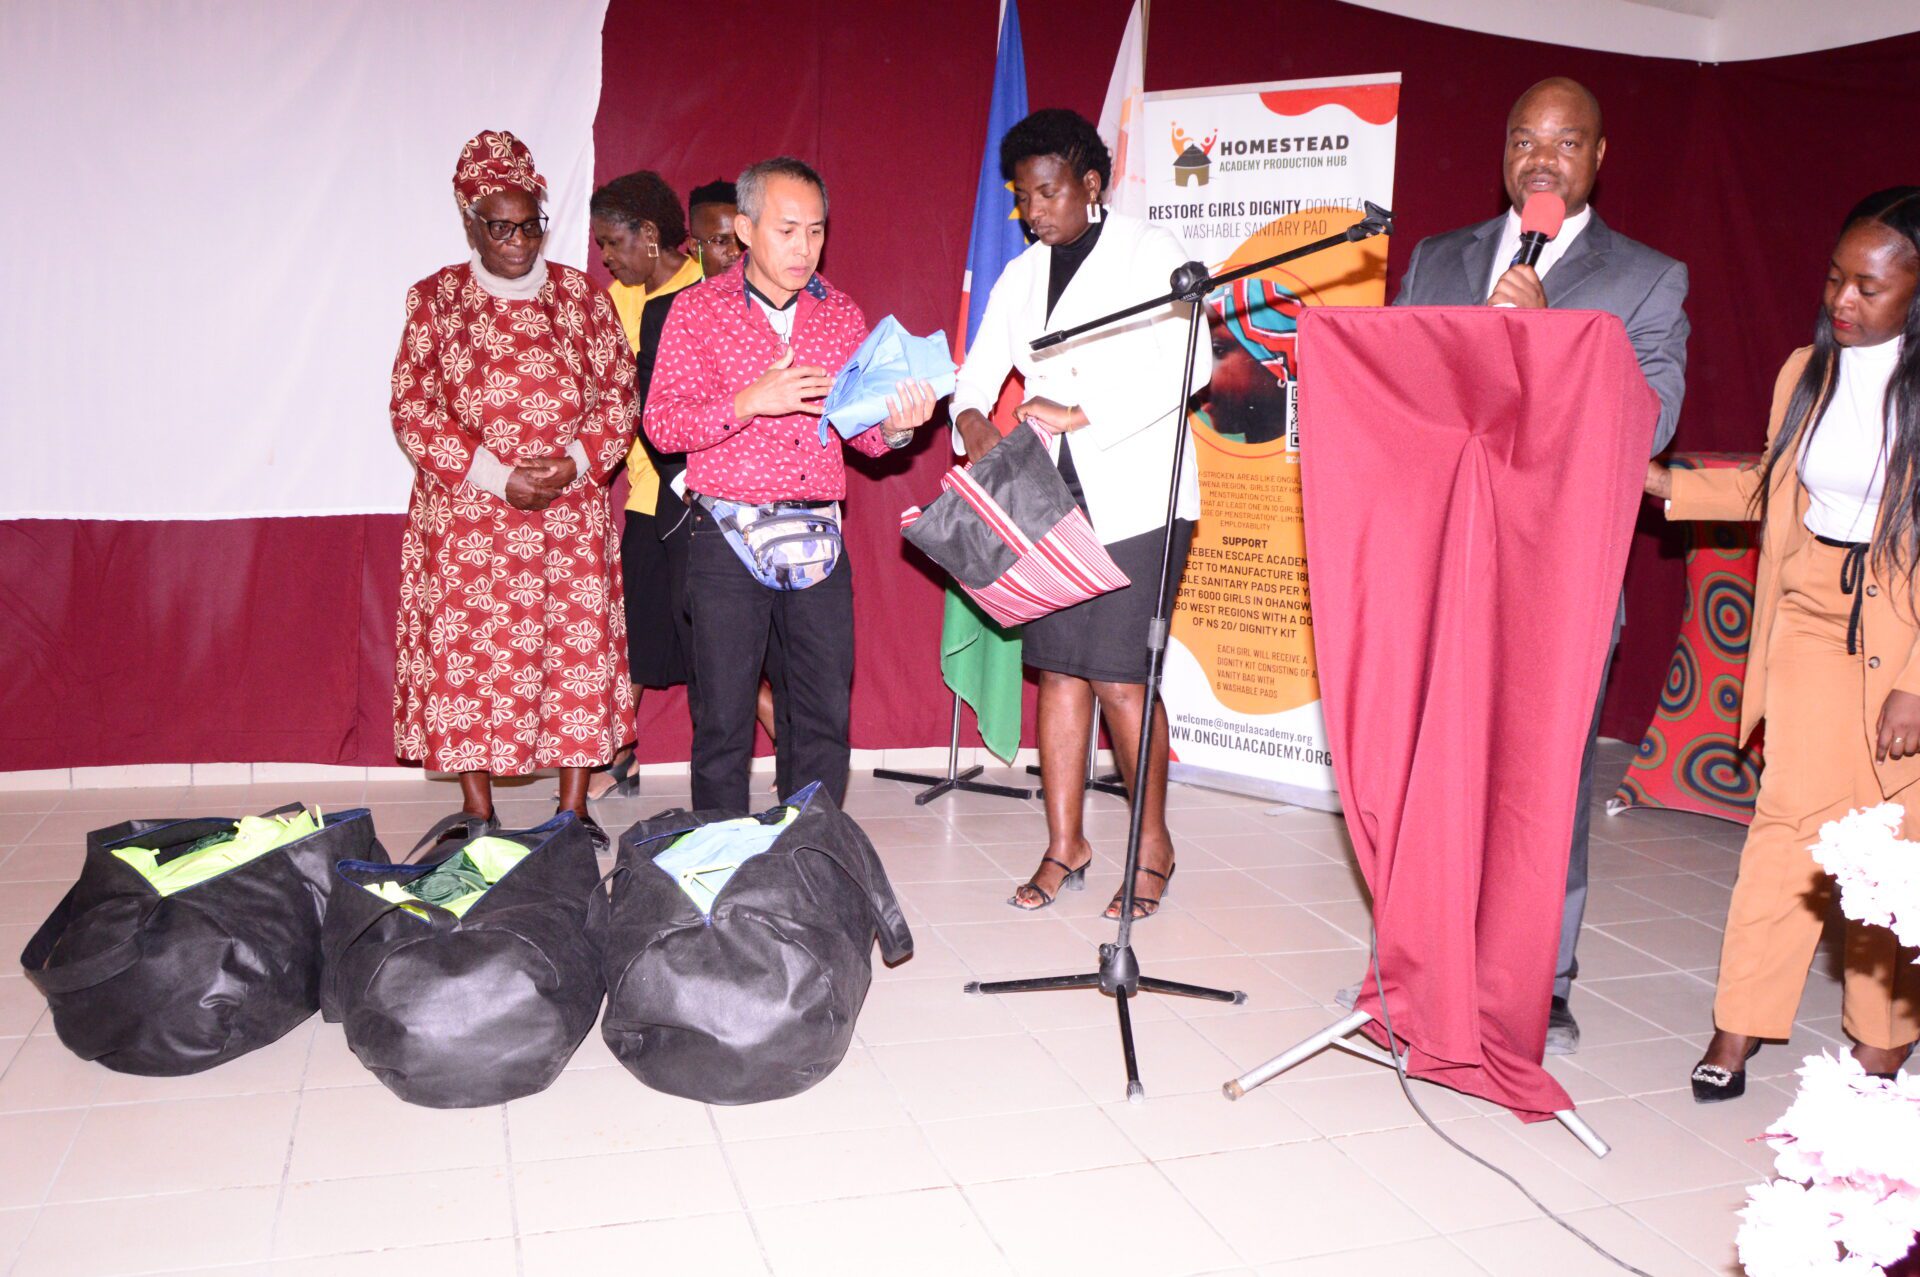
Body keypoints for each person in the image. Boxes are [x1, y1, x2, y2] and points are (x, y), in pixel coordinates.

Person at [1384, 77, 1689, 1051]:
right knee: (1430, 763)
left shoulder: (1647, 278)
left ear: (1598, 157)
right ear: (1505, 153)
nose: (1542, 159)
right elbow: (1396, 391)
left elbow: (1650, 420)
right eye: (1524, 139)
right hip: (1440, 560)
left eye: (1565, 142)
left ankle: (1543, 974)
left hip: (1555, 576)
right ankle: (1424, 946)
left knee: (1543, 781)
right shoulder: (1440, 258)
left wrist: (1550, 331)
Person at [1647, 188, 1920, 1100]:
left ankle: (1882, 1041)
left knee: (1890, 844)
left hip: (1908, 634)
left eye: (1870, 288)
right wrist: (1656, 481)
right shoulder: (1807, 369)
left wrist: (1918, 681)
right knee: (1785, 831)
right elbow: (1768, 489)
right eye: (1837, 278)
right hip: (1808, 614)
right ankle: (1738, 1026)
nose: (1844, 300)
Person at [952, 108, 1210, 920]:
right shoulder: (1024, 274)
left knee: (1121, 680)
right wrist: (978, 430)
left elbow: (1192, 358)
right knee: (1059, 671)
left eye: (1049, 191)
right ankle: (1067, 842)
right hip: (1045, 497)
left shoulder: (1149, 252)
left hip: (1138, 496)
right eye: (1025, 197)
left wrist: (1081, 412)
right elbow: (974, 378)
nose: (1035, 210)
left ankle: (1152, 843)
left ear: (1090, 183)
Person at [644, 157, 938, 812]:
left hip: (818, 540)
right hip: (725, 537)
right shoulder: (696, 312)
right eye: (787, 230)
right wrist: (750, 400)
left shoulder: (840, 314)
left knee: (822, 718)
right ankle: (718, 874)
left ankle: (809, 861)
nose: (804, 248)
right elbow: (662, 426)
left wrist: (896, 429)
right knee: (723, 723)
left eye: (815, 231)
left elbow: (860, 434)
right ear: (745, 230)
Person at [389, 130, 637, 848]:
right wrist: (496, 475)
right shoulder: (436, 301)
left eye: (531, 223)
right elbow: (412, 406)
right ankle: (478, 809)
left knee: (574, 655)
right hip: (471, 520)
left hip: (568, 515)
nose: (519, 240)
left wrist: (578, 460)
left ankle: (574, 808)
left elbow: (619, 395)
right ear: (470, 221)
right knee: (469, 656)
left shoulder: (582, 299)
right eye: (501, 225)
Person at [587, 171, 706, 798]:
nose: (605, 257)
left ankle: (798, 746)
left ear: (651, 235)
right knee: (636, 627)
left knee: (711, 639)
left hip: (697, 492)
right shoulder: (614, 300)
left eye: (612, 243)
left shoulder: (706, 288)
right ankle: (619, 753)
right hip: (642, 489)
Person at [688, 179, 744, 279]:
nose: (736, 251)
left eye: (742, 239)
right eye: (721, 241)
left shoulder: (774, 292)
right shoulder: (683, 295)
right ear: (695, 248)